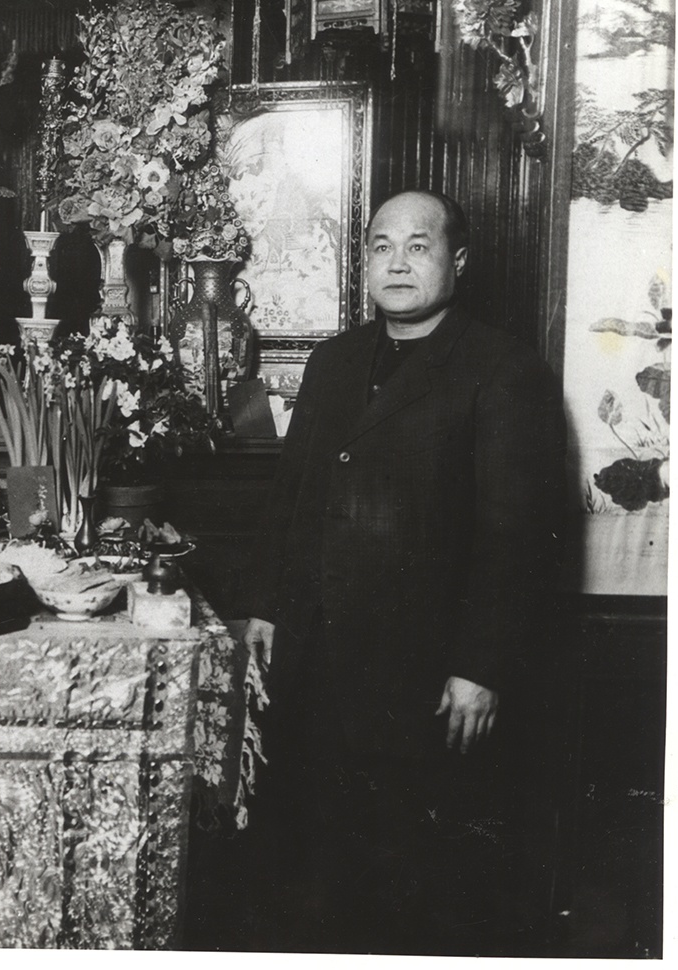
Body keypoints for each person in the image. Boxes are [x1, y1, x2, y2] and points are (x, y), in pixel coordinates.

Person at [239, 190, 566, 955]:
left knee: (417, 884)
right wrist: (263, 607)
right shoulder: (334, 360)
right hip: (319, 661)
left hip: (425, 676)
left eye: (417, 246)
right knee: (316, 870)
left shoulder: (502, 369)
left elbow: (518, 540)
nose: (396, 261)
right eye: (381, 244)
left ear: (457, 261)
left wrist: (481, 667)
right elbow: (292, 499)